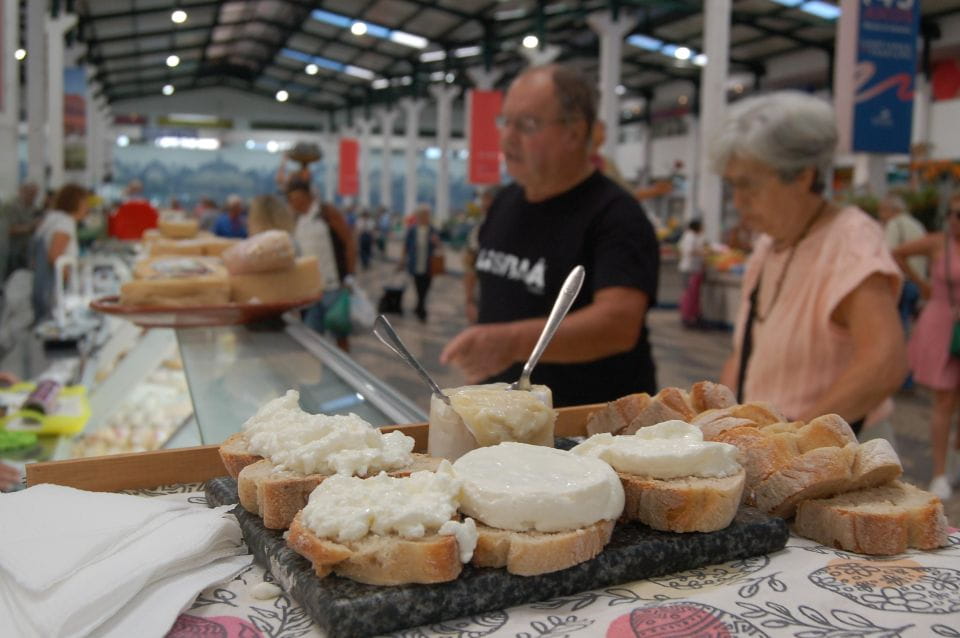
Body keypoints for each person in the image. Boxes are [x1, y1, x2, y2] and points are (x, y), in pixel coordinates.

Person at [440, 64, 660, 407]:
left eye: (526, 124)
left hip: (586, 427)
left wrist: (510, 342)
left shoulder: (616, 215)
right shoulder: (505, 201)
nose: (507, 137)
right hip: (508, 413)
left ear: (575, 132)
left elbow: (618, 324)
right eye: (505, 122)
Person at [713, 92, 906, 437]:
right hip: (773, 447)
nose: (738, 202)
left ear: (802, 175)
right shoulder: (769, 245)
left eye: (749, 185)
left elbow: (884, 363)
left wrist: (797, 438)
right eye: (732, 186)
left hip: (836, 450)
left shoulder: (850, 239)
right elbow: (745, 354)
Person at [893, 191, 960, 499]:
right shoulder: (938, 243)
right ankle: (939, 472)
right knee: (944, 400)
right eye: (955, 214)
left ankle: (954, 460)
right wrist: (921, 285)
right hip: (944, 324)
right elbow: (898, 252)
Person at [287, 178, 356, 351]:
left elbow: (348, 242)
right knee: (312, 336)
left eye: (294, 199)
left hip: (334, 286)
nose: (292, 203)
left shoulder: (326, 212)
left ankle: (345, 371)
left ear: (304, 196)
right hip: (311, 290)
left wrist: (349, 276)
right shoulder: (297, 220)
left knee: (340, 332)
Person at [33, 184, 90, 320]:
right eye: (85, 203)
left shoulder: (52, 218)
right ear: (76, 203)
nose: (87, 208)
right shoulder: (65, 223)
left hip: (42, 284)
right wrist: (71, 283)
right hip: (54, 289)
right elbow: (55, 257)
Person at [879, 193, 927, 332]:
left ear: (894, 210)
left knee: (898, 326)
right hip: (918, 282)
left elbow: (888, 254)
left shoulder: (895, 224)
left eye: (883, 210)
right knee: (911, 323)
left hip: (902, 282)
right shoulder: (917, 224)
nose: (881, 215)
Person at [463, 186, 501, 323]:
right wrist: (469, 301)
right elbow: (470, 267)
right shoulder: (479, 232)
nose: (484, 205)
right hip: (484, 299)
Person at [400, 204, 441, 322]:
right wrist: (402, 260)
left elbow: (439, 246)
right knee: (418, 287)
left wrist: (436, 242)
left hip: (428, 264)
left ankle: (420, 306)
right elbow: (406, 246)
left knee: (426, 287)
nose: (424, 217)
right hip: (415, 263)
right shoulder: (412, 230)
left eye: (426, 215)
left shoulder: (433, 230)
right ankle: (421, 309)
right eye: (422, 215)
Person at [1, 182, 40, 275]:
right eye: (31, 194)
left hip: (25, 252)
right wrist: (31, 227)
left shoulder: (34, 208)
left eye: (35, 195)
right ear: (22, 192)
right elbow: (10, 230)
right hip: (11, 251)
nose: (33, 197)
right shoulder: (11, 206)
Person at [677, 219, 708, 328]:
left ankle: (691, 316)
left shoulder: (692, 236)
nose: (703, 229)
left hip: (693, 268)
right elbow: (690, 251)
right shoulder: (690, 237)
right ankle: (687, 317)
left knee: (692, 294)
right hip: (690, 269)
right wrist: (703, 253)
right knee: (689, 294)